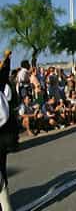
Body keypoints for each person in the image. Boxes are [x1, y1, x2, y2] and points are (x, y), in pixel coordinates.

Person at [0, 52, 18, 211]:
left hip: (2, 132)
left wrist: (7, 61)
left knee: (0, 172)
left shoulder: (1, 82)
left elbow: (4, 73)